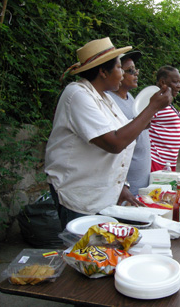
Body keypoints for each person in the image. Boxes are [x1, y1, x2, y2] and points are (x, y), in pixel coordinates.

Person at [45, 38, 172, 229]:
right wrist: (152, 107)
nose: (123, 73)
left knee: (101, 251)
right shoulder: (77, 95)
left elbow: (122, 130)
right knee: (83, 251)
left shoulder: (103, 98)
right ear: (103, 72)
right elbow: (114, 142)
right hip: (80, 195)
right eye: (120, 68)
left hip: (100, 194)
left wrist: (120, 185)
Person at [107, 51, 151, 195]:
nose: (136, 74)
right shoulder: (109, 101)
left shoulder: (131, 98)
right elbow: (115, 142)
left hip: (140, 182)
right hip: (125, 187)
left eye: (135, 70)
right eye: (130, 71)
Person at [149, 66, 180, 172]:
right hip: (156, 160)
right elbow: (141, 124)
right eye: (175, 82)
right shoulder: (154, 103)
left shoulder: (166, 103)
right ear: (162, 82)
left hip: (169, 161)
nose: (179, 86)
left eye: (179, 82)